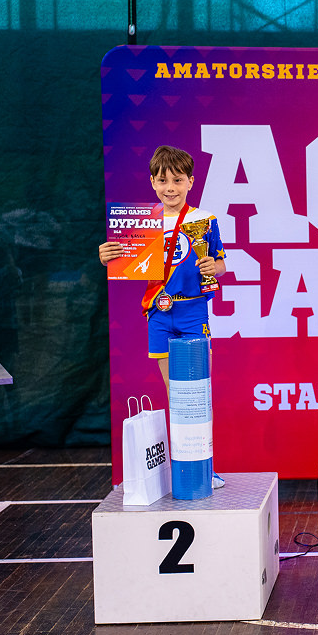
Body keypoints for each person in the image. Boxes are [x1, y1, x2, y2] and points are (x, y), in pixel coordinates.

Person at [98, 145, 227, 488]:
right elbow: (123, 262)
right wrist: (106, 255)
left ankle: (207, 466)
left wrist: (212, 266)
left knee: (198, 393)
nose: (170, 187)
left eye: (177, 180)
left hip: (193, 311)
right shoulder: (142, 222)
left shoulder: (205, 219)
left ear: (190, 182)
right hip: (159, 312)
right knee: (174, 394)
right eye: (163, 180)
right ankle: (182, 467)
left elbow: (221, 264)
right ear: (152, 182)